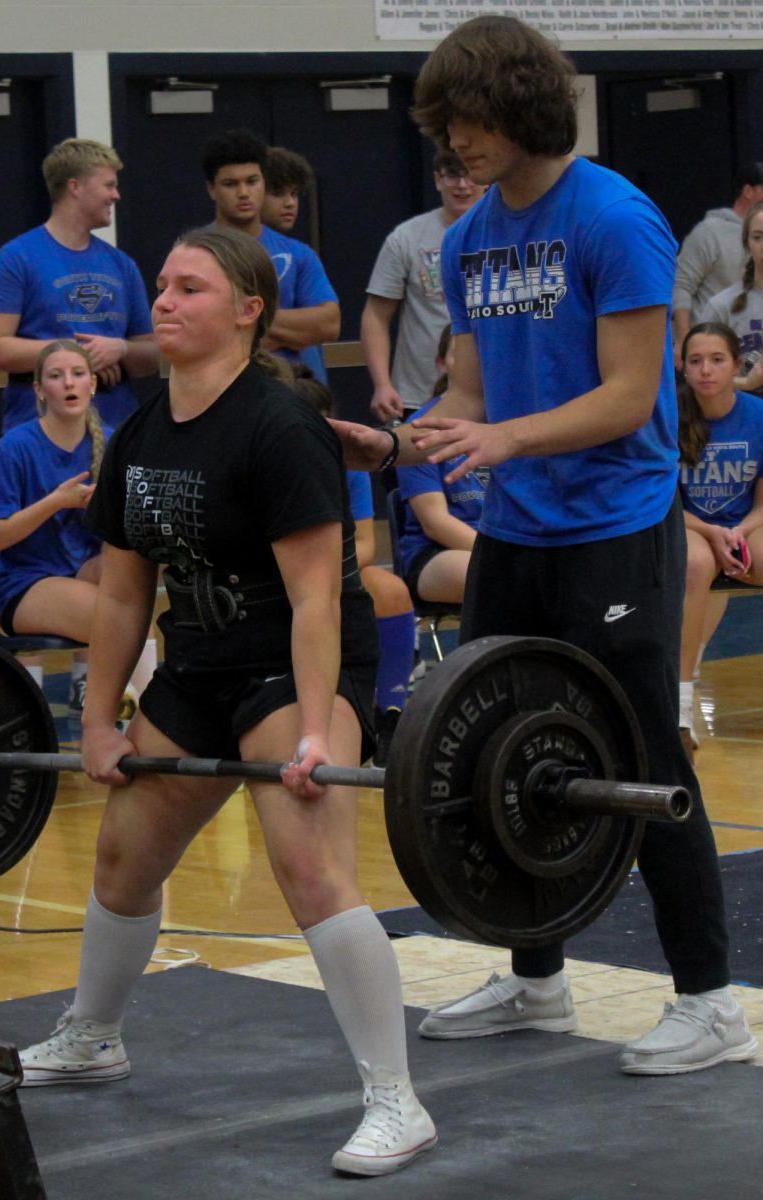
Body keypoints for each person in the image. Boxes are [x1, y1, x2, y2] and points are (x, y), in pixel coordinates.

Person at [331, 14, 755, 1076]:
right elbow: (468, 393)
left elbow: (624, 397)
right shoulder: (469, 237)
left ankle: (707, 1001)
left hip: (615, 529)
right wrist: (402, 438)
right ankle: (535, 981)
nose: (453, 145)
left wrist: (499, 436)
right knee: (500, 756)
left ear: (520, 106)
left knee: (639, 753)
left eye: (467, 121)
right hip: (514, 532)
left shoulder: (615, 217)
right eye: (441, 127)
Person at [6, 227, 437, 1177]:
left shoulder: (279, 428)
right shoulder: (142, 436)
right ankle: (94, 1034)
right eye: (160, 284)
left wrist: (322, 731)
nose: (162, 300)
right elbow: (122, 598)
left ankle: (395, 1099)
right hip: (198, 661)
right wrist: (101, 718)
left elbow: (321, 599)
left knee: (308, 865)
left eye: (189, 287)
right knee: (124, 853)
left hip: (293, 662)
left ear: (247, 311)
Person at [0, 138, 159, 432]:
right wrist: (78, 357)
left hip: (118, 428)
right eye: (109, 185)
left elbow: (152, 356)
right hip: (39, 432)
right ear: (75, 187)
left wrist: (120, 350)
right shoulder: (16, 258)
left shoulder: (122, 264)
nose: (117, 195)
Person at [286, 367, 415, 765]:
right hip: (281, 577)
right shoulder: (273, 464)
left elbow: (364, 543)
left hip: (336, 570)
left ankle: (390, 713)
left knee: (390, 589)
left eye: (330, 422)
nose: (328, 433)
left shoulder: (348, 465)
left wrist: (327, 570)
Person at [0, 339, 106, 712]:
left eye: (78, 374)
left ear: (93, 384)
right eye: (56, 376)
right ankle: (101, 700)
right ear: (39, 390)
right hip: (25, 580)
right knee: (114, 617)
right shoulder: (15, 447)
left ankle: (93, 695)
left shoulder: (111, 442)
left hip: (84, 571)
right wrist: (56, 502)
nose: (69, 383)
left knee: (134, 589)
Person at [676, 321, 763, 757]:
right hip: (689, 525)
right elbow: (664, 505)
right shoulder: (667, 416)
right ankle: (681, 708)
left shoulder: (758, 416)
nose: (705, 370)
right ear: (683, 367)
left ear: (736, 365)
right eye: (696, 361)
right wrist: (712, 533)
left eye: (716, 360)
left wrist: (740, 532)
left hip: (744, 524)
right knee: (694, 566)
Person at [202, 129, 340, 382]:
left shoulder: (298, 253)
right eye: (231, 184)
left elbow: (329, 324)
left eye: (252, 181)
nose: (243, 192)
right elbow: (203, 335)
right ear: (212, 189)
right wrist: (295, 332)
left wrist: (245, 322)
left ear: (263, 182)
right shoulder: (195, 253)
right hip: (225, 392)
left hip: (302, 396)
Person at [361, 150, 484, 421]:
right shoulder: (406, 238)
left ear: (485, 178)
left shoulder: (505, 230)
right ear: (438, 180)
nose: (462, 185)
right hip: (419, 394)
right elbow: (376, 316)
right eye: (453, 176)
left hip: (490, 391)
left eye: (468, 175)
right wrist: (382, 384)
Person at [395, 325, 486, 605]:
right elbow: (436, 523)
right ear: (441, 364)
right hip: (438, 552)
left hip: (507, 544)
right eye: (461, 355)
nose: (474, 362)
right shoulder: (421, 429)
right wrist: (499, 555)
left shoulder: (512, 422)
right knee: (499, 578)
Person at [672, 163, 763, 365]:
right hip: (714, 344)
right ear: (749, 191)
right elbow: (681, 285)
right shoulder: (709, 232)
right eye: (757, 237)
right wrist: (684, 340)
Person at [699, 200, 763, 394]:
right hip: (742, 413)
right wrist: (746, 384)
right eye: (758, 237)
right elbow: (698, 376)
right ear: (747, 243)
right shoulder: (722, 305)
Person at [261, 146, 314, 235]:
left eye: (294, 193)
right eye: (278, 194)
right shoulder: (232, 246)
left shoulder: (299, 249)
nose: (290, 203)